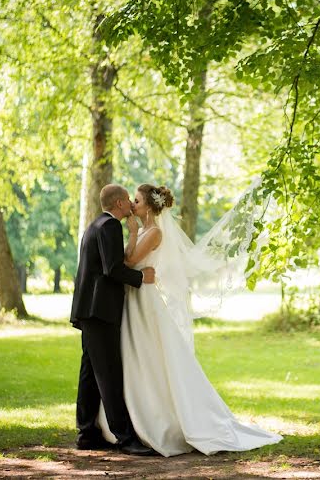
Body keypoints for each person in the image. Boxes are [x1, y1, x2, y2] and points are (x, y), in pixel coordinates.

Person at [96, 183, 282, 456]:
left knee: (148, 357)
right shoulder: (145, 230)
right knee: (133, 357)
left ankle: (157, 421)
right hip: (133, 298)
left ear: (148, 205)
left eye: (136, 200)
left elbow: (130, 259)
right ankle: (129, 420)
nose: (132, 204)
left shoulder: (154, 232)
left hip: (144, 300)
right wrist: (134, 232)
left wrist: (133, 232)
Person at [71, 184, 158, 456]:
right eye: (129, 201)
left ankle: (87, 433)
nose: (132, 204)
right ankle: (125, 437)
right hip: (101, 311)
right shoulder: (110, 226)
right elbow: (112, 269)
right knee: (108, 374)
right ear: (120, 203)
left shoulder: (94, 225)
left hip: (88, 310)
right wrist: (142, 278)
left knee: (90, 373)